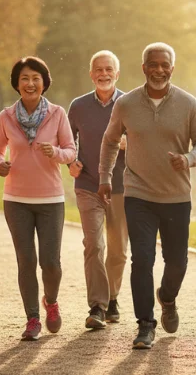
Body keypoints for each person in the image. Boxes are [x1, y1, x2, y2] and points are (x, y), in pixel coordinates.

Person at [98, 42, 196, 349]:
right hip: (138, 193)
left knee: (177, 262)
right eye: (153, 64)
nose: (159, 70)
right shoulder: (127, 104)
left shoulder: (188, 104)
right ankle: (145, 325)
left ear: (172, 69)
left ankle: (167, 297)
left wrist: (188, 159)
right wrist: (106, 177)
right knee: (142, 259)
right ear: (144, 67)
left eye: (165, 65)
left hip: (176, 196)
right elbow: (110, 142)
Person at [0, 56, 76, 341]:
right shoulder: (6, 117)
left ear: (44, 83)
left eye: (36, 78)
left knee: (50, 262)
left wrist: (57, 153)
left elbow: (71, 150)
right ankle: (32, 319)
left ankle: (50, 302)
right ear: (17, 83)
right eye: (25, 78)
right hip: (16, 200)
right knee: (26, 260)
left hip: (51, 199)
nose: (30, 83)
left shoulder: (57, 113)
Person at [67, 50, 128, 329]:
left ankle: (113, 298)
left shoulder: (130, 104)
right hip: (88, 185)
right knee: (94, 245)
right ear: (91, 74)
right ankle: (97, 307)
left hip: (122, 187)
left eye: (108, 69)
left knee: (117, 250)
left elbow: (149, 140)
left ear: (117, 73)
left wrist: (132, 142)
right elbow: (66, 141)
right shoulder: (78, 106)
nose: (103, 74)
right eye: (98, 70)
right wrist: (71, 161)